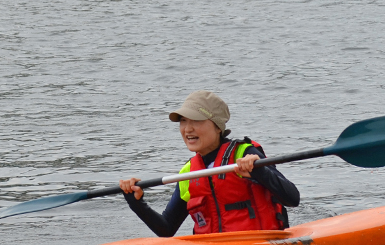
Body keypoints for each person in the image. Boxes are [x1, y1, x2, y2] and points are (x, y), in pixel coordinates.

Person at [119, 90, 300, 237]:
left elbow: (293, 198)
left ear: (217, 126)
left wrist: (260, 172)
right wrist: (136, 202)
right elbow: (166, 229)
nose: (187, 129)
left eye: (196, 120)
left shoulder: (246, 154)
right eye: (183, 121)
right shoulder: (189, 172)